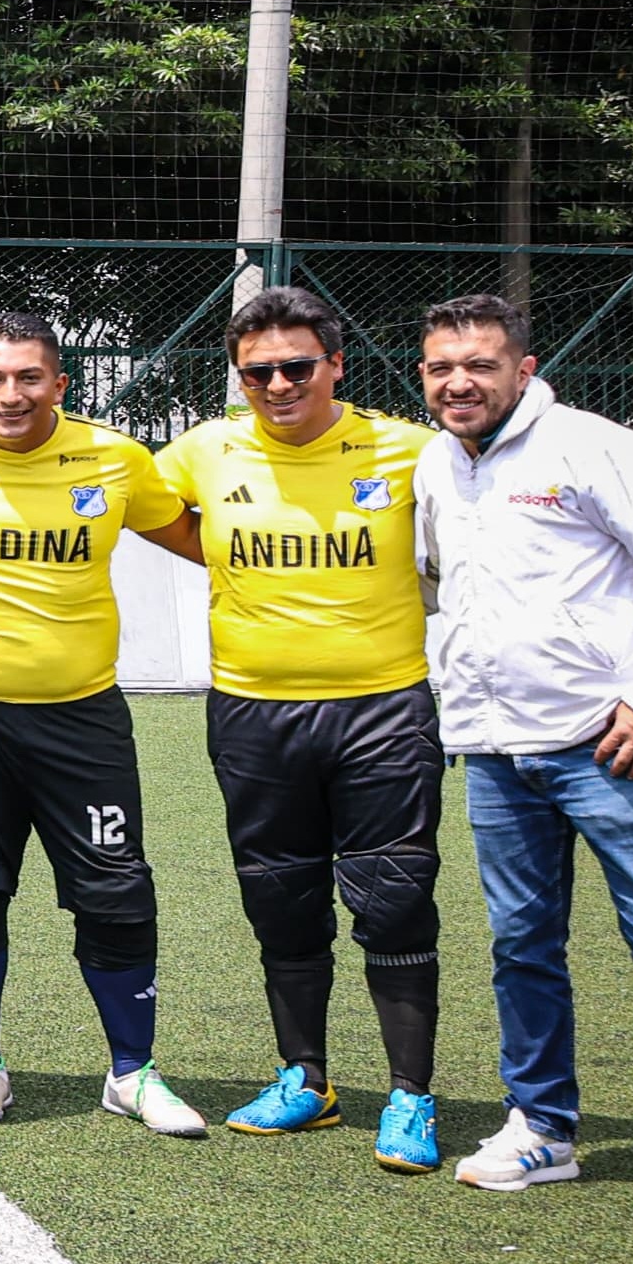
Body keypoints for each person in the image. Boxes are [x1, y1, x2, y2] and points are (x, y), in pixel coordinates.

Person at [413, 294, 633, 1234]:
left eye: (480, 365)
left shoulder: (594, 445)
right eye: (442, 366)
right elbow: (436, 583)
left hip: (608, 747)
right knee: (523, 946)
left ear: (523, 369)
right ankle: (543, 1128)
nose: (460, 383)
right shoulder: (435, 463)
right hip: (493, 751)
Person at [0, 310, 205, 1138]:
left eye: (29, 379)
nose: (10, 395)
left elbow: (206, 542)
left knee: (116, 891)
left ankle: (133, 1071)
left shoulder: (117, 458)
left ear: (61, 384)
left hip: (82, 717)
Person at [156, 286, 447, 1172]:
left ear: (336, 365)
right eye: (257, 372)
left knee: (394, 899)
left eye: (296, 367)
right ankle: (306, 1080)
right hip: (250, 711)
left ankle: (411, 1097)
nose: (278, 385)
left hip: (383, 710)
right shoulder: (204, 449)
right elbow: (148, 512)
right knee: (280, 899)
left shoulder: (411, 451)